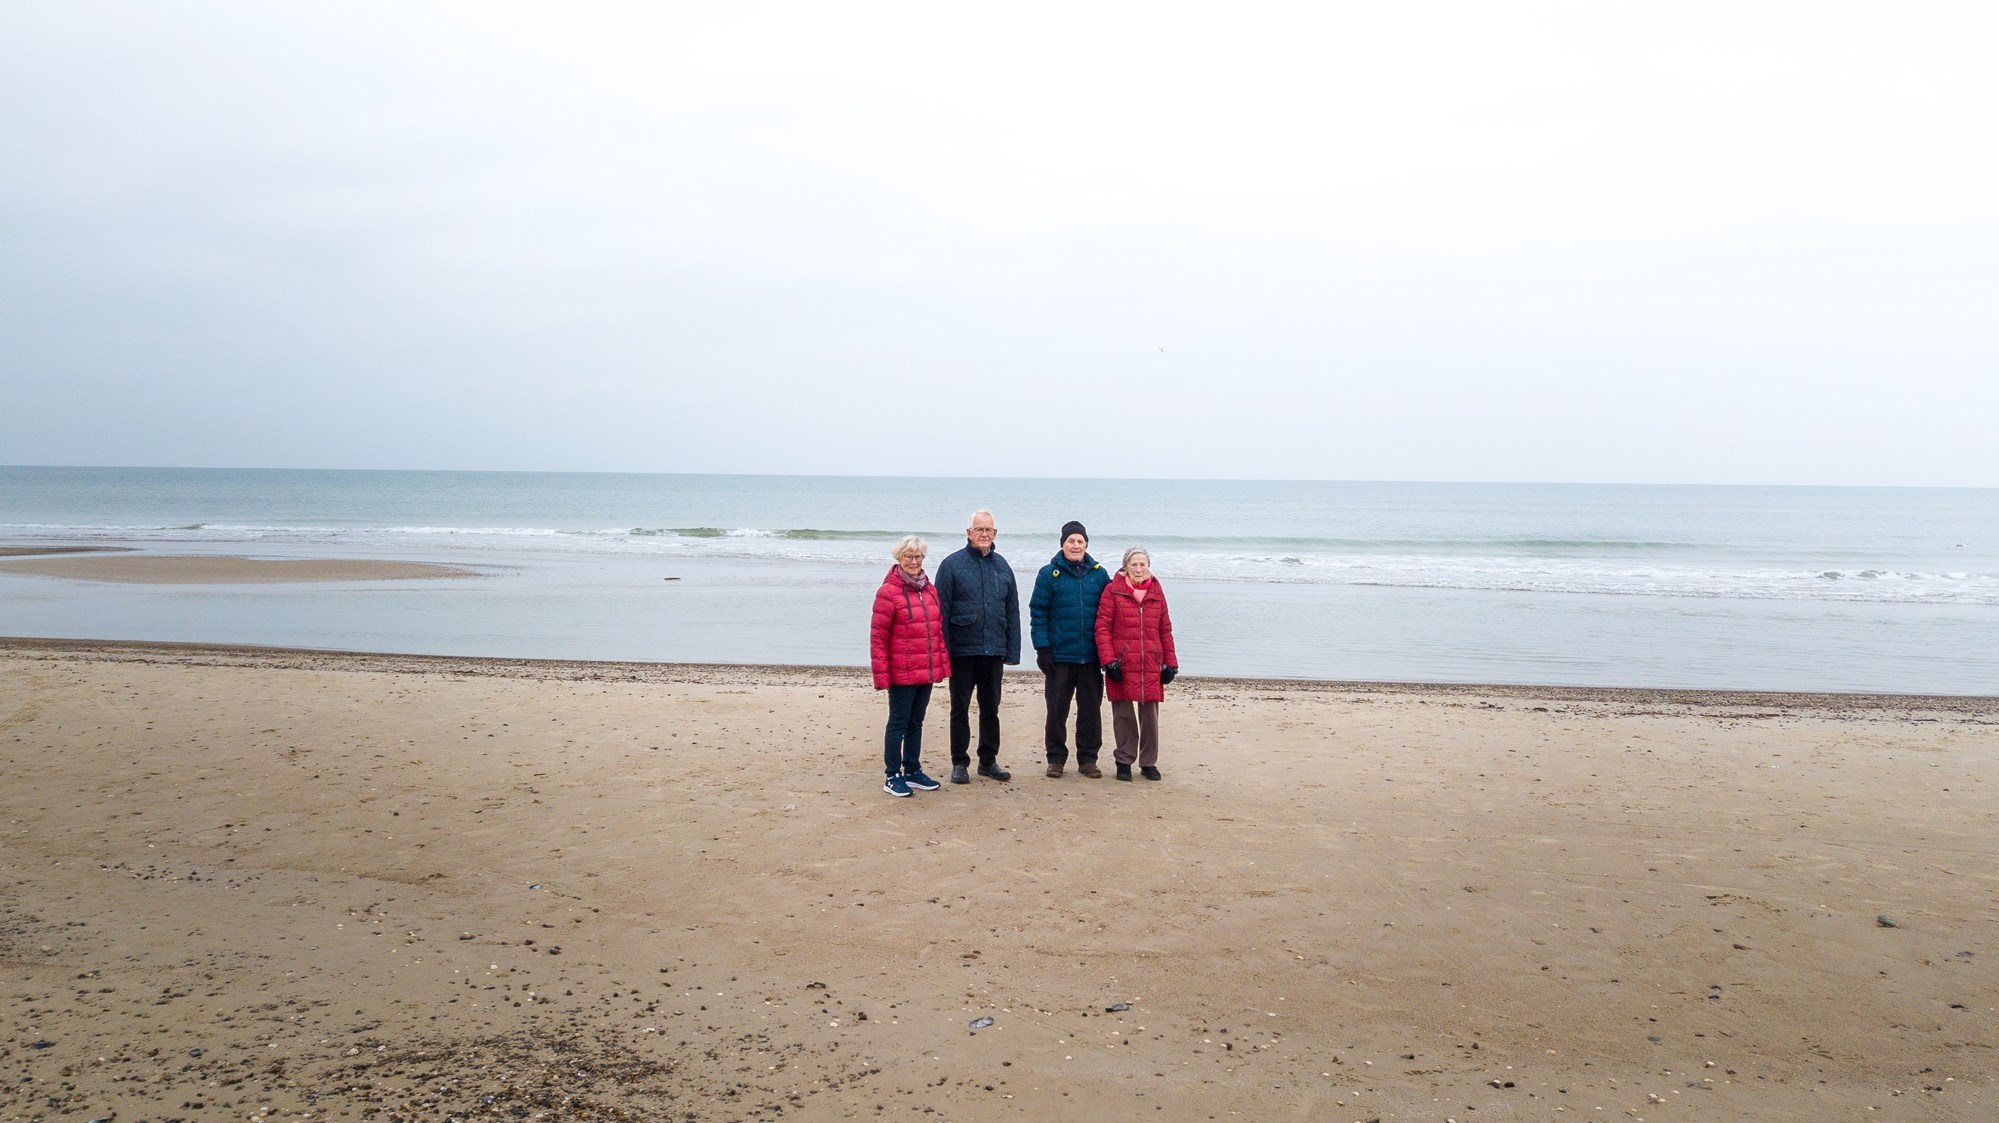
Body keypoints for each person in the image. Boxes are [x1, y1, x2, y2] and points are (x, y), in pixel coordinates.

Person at [934, 508, 1021, 783]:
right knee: (960, 708)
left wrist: (1012, 651)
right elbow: (940, 612)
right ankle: (959, 762)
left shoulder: (1002, 566)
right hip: (962, 651)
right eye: (979, 529)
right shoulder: (951, 565)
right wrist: (943, 652)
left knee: (991, 708)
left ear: (995, 533)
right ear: (969, 533)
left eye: (989, 529)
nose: (984, 534)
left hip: (993, 650)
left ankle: (988, 761)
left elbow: (1012, 610)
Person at [1028, 520, 1111, 778]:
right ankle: (1055, 759)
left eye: (1080, 541)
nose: (1075, 545)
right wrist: (1042, 649)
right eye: (1071, 541)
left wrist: (1108, 653)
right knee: (1056, 710)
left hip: (1091, 657)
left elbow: (1110, 614)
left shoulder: (1099, 575)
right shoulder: (1048, 574)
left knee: (1090, 711)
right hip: (1059, 656)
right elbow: (1038, 613)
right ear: (1063, 544)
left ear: (1086, 544)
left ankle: (1088, 759)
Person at [869, 536, 948, 797]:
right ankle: (892, 775)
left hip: (925, 669)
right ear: (899, 558)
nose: (914, 562)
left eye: (918, 557)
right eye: (909, 556)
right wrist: (881, 676)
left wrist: (941, 666)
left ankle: (912, 770)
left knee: (917, 721)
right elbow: (878, 638)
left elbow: (937, 632)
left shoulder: (929, 589)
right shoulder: (888, 592)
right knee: (898, 722)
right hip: (901, 672)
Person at [1093, 545, 1179, 781]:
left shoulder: (1156, 591)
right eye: (1134, 564)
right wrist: (1108, 661)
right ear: (1125, 567)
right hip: (1121, 663)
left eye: (1143, 564)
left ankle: (1148, 763)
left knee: (1150, 717)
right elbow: (1102, 627)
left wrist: (1171, 663)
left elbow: (1165, 629)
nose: (1139, 569)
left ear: (1148, 566)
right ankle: (1124, 761)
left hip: (1151, 662)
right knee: (1123, 716)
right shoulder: (1112, 590)